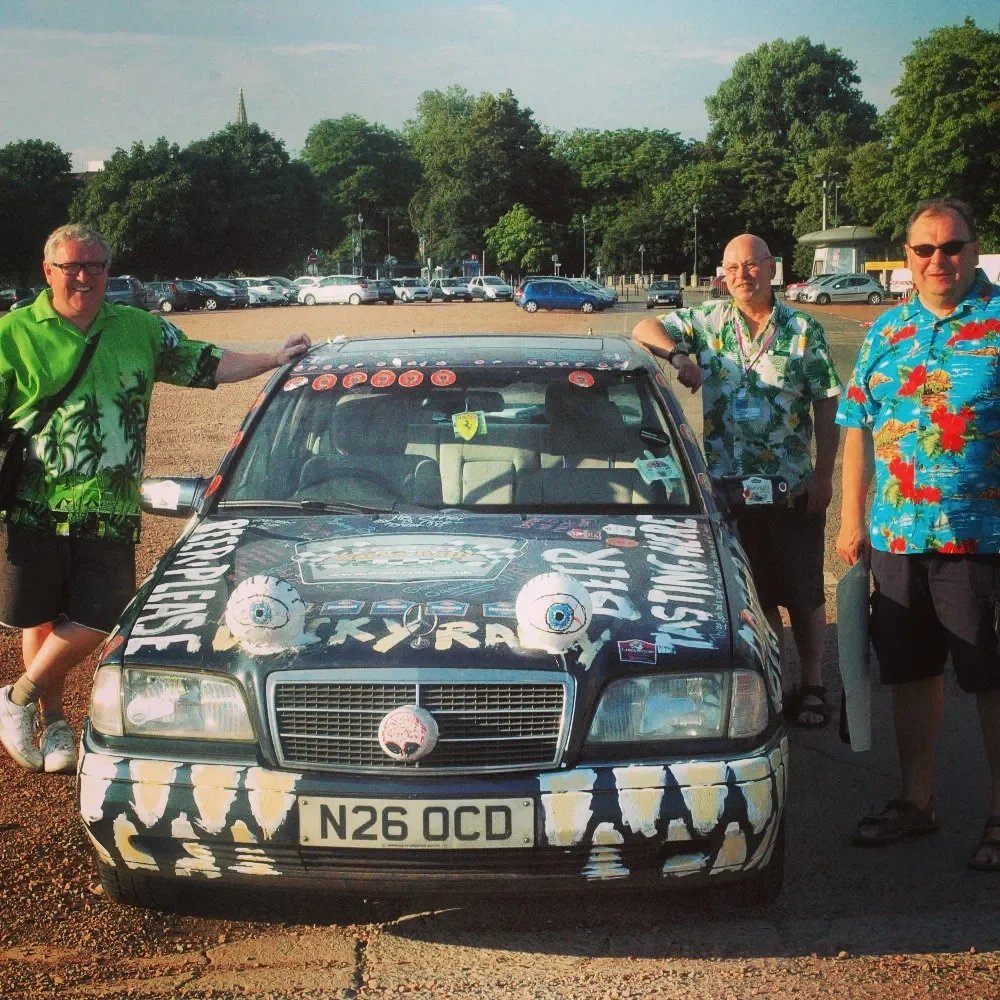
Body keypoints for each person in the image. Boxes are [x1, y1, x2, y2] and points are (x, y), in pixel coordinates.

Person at [0, 223, 311, 773]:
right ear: (48, 271)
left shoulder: (139, 328)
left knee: (101, 614)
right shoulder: (13, 333)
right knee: (42, 619)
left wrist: (272, 357)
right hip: (34, 502)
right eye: (72, 266)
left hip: (112, 505)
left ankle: (17, 696)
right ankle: (55, 724)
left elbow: (204, 362)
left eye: (96, 266)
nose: (84, 276)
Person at [836, 197, 1000, 870]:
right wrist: (851, 522)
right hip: (897, 538)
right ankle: (917, 800)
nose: (939, 260)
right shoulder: (887, 330)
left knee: (990, 676)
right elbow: (856, 426)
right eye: (925, 249)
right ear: (907, 257)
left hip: (980, 540)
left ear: (973, 249)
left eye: (951, 246)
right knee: (909, 672)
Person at [633, 233, 842, 727]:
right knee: (756, 592)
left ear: (771, 269)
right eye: (732, 268)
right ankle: (777, 680)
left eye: (751, 265)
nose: (742, 275)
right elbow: (644, 328)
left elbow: (827, 403)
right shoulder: (706, 322)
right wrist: (679, 356)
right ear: (722, 276)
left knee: (804, 593)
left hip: (792, 487)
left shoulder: (803, 330)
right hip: (729, 490)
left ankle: (813, 682)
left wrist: (823, 475)